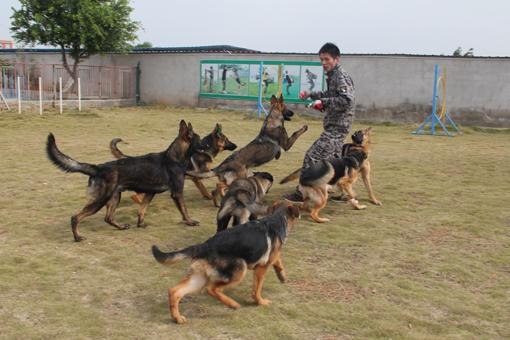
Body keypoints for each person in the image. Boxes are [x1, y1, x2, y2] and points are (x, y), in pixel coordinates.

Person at [284, 42, 355, 203]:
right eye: (321, 59)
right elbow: (329, 95)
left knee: (312, 156)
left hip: (337, 128)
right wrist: (311, 95)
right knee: (334, 161)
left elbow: (346, 100)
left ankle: (302, 193)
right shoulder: (333, 76)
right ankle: (344, 192)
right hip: (336, 125)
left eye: (327, 59)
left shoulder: (340, 76)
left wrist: (323, 103)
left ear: (336, 59)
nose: (323, 63)